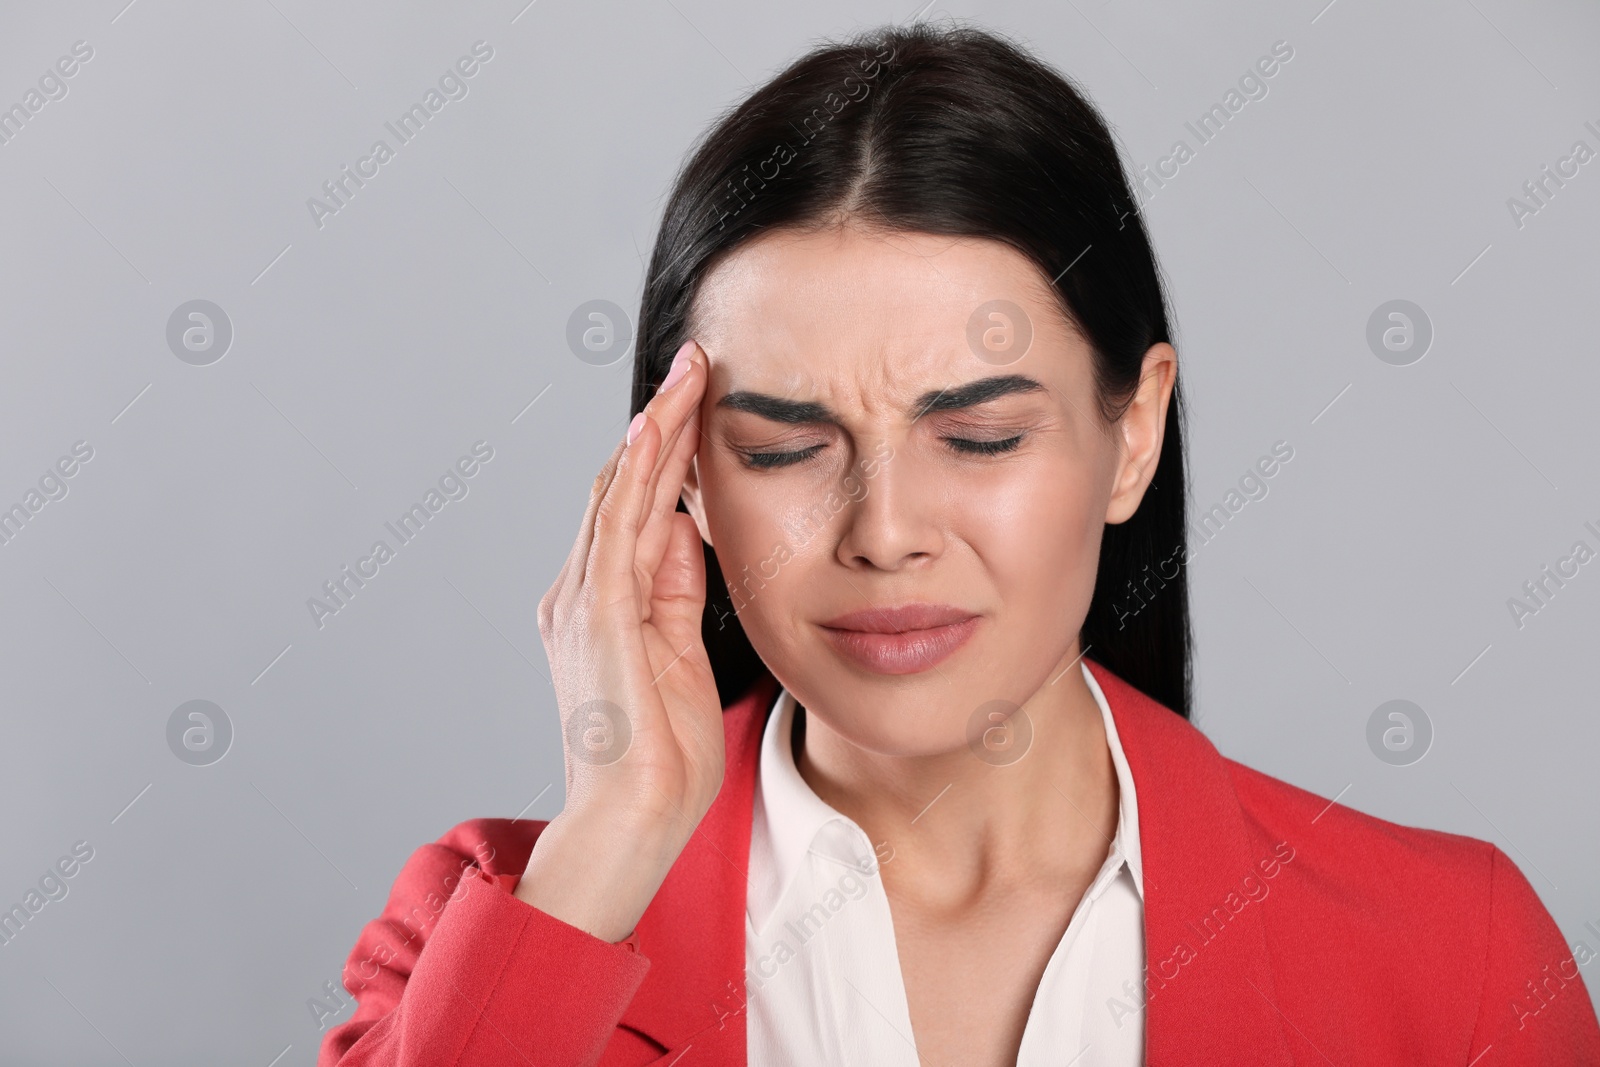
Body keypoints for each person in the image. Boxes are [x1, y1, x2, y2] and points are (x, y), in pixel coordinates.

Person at [318, 21, 1600, 1066]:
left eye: (979, 438)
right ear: (681, 480)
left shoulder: (1452, 960)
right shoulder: (496, 924)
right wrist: (616, 830)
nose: (884, 534)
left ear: (1133, 432)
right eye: (780, 448)